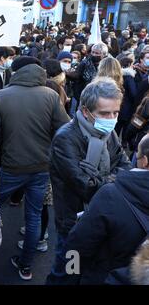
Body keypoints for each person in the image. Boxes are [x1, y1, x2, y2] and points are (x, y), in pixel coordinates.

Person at [0, 56, 70, 280]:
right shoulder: (51, 95)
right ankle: (26, 266)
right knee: (33, 217)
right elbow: (64, 129)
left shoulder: (1, 96)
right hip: (41, 167)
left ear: (16, 72)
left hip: (11, 167)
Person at [47, 77, 131, 285]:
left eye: (116, 113)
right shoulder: (66, 138)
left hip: (100, 219)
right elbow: (86, 187)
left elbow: (126, 166)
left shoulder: (108, 133)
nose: (112, 119)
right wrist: (114, 178)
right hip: (73, 224)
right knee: (67, 271)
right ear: (86, 111)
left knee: (89, 271)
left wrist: (102, 177)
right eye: (105, 113)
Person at [60, 134, 149, 284]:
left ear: (145, 161)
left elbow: (76, 247)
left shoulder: (110, 195)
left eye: (137, 154)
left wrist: (68, 275)